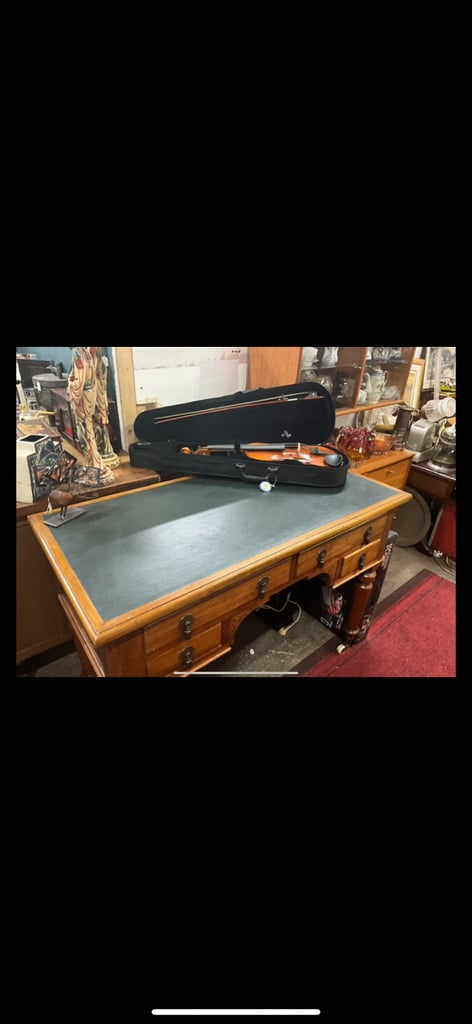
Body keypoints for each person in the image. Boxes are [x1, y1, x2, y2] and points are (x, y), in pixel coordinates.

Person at [67, 347, 116, 482]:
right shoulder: (89, 354)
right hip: (91, 393)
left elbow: (79, 380)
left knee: (86, 432)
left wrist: (70, 382)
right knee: (90, 431)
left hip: (84, 397)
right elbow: (95, 375)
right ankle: (97, 463)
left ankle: (95, 465)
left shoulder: (79, 353)